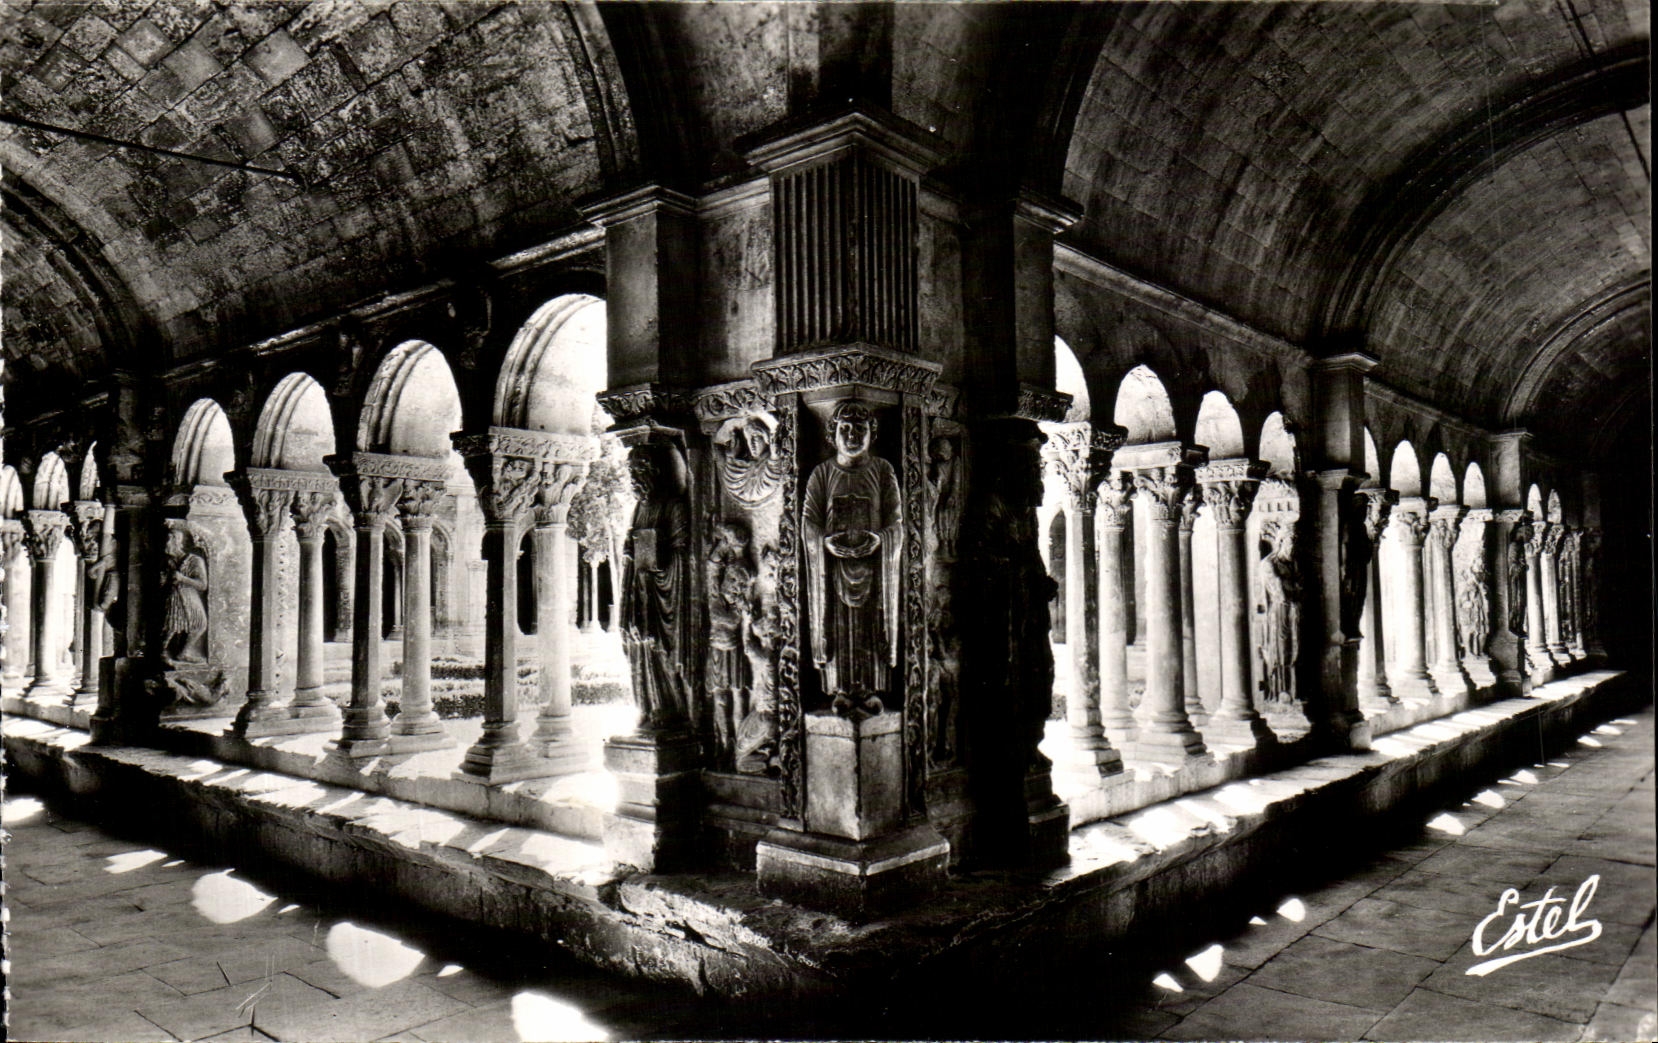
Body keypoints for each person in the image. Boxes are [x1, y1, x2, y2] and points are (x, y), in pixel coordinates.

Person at [802, 400, 902, 717]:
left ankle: (871, 689)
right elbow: (808, 523)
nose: (853, 435)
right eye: (845, 428)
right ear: (832, 435)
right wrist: (825, 544)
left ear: (873, 433)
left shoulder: (883, 471)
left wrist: (881, 540)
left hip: (874, 568)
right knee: (840, 626)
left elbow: (897, 522)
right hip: (833, 570)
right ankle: (841, 689)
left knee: (871, 625)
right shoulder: (822, 473)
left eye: (861, 428)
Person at [620, 446, 692, 730]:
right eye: (631, 472)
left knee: (661, 649)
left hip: (665, 595)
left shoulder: (672, 505)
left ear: (656, 472)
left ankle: (669, 707)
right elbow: (633, 549)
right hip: (640, 591)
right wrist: (629, 550)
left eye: (639, 471)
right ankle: (647, 706)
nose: (634, 478)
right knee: (639, 647)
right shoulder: (639, 508)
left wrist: (659, 557)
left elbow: (682, 553)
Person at [161, 527, 209, 666]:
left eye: (168, 541)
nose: (166, 545)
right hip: (174, 596)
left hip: (190, 596)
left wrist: (183, 579)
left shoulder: (194, 560)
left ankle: (183, 652)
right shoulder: (169, 562)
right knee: (171, 626)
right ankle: (162, 651)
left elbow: (202, 584)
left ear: (177, 542)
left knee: (200, 624)